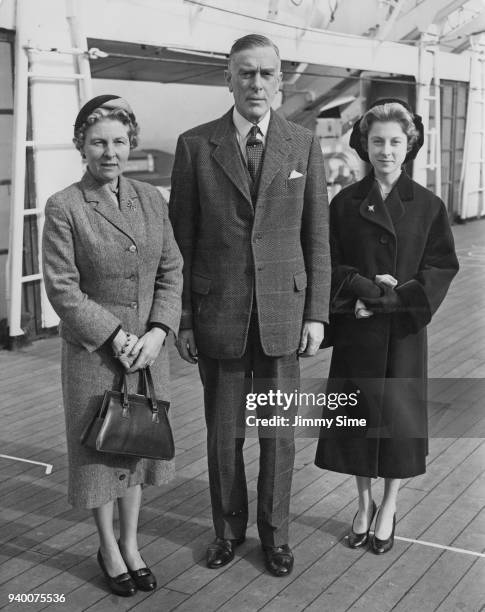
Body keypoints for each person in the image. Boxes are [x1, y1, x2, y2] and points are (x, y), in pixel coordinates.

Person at [169, 34, 330, 576]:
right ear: (229, 79)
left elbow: (318, 238)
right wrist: (185, 318)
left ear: (280, 80)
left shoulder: (302, 144)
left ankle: (276, 535)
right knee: (223, 436)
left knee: (279, 437)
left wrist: (317, 313)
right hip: (219, 316)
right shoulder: (195, 146)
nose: (256, 83)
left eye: (266, 73)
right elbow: (182, 243)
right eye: (245, 73)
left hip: (284, 315)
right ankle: (228, 531)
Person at [42, 95, 183, 595]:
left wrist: (159, 331)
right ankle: (107, 547)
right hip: (96, 353)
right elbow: (62, 287)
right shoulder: (64, 206)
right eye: (98, 141)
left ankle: (132, 543)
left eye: (119, 141)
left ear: (131, 145)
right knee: (101, 454)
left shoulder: (150, 199)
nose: (110, 152)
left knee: (138, 448)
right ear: (81, 144)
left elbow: (171, 270)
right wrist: (116, 335)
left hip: (147, 351)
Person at [314, 99, 459, 554]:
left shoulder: (429, 206)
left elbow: (440, 267)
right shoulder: (344, 204)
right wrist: (356, 291)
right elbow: (328, 261)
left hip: (403, 334)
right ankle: (362, 503)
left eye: (396, 141)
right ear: (364, 144)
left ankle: (390, 506)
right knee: (358, 422)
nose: (386, 150)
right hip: (359, 331)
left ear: (409, 144)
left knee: (396, 425)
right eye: (377, 141)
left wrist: (395, 299)